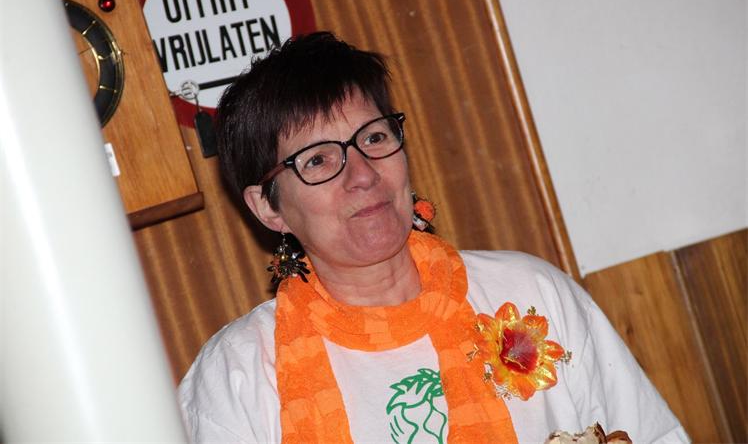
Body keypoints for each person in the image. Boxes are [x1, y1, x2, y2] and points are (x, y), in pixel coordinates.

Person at [178, 32, 688, 443]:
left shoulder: (531, 295)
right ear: (268, 207)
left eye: (374, 137)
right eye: (317, 160)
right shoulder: (240, 372)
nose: (362, 174)